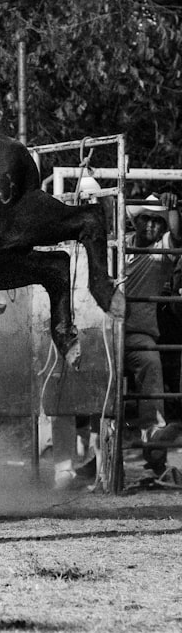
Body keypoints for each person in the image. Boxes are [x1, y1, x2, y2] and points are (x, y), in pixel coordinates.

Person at [122, 193, 182, 476]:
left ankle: (154, 438)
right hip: (101, 333)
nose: (152, 226)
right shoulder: (115, 247)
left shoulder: (159, 255)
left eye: (158, 221)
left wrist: (172, 208)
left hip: (137, 335)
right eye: (147, 218)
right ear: (136, 221)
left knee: (150, 361)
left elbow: (177, 236)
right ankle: (87, 448)